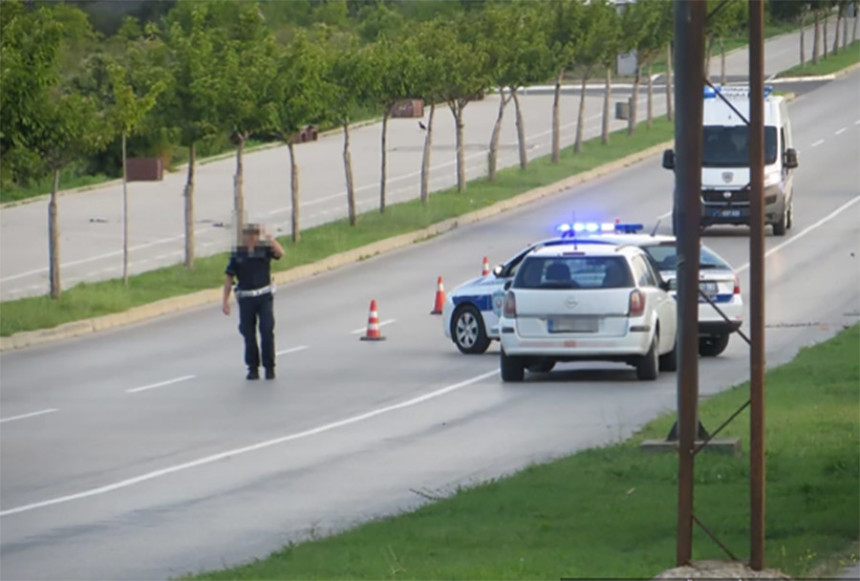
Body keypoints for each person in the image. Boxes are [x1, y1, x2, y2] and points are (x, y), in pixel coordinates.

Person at [222, 223, 285, 380]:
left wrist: (269, 237)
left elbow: (280, 252)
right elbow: (229, 278)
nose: (251, 239)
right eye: (248, 236)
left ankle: (269, 367)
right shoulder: (238, 254)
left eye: (254, 235)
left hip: (264, 296)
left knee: (266, 330)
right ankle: (252, 368)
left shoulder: (264, 250)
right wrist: (225, 300)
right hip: (246, 299)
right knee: (248, 333)